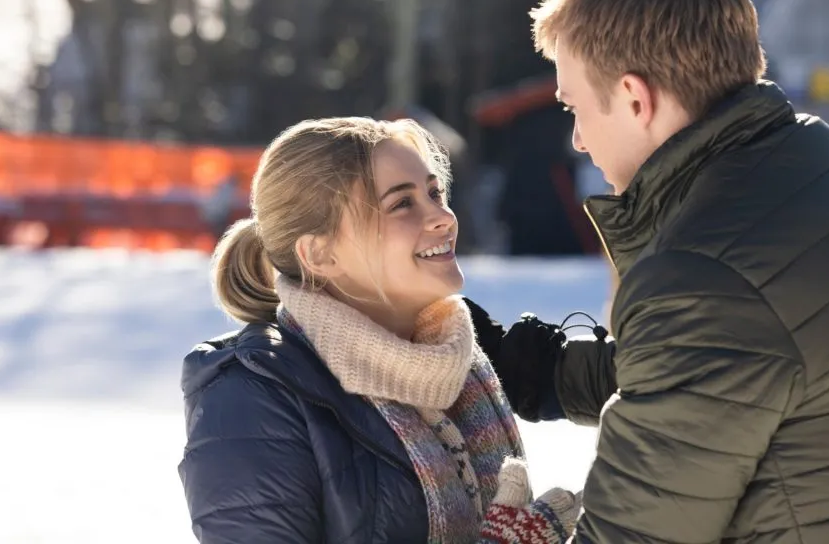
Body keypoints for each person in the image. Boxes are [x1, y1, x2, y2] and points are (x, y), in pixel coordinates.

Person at [479, 0, 829, 541]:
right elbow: (732, 374)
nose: (578, 140)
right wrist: (544, 373)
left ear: (636, 99)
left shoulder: (705, 275)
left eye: (574, 109)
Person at [177, 116, 597, 544]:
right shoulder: (253, 397)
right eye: (402, 204)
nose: (443, 218)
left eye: (435, 193)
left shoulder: (461, 365)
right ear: (319, 254)